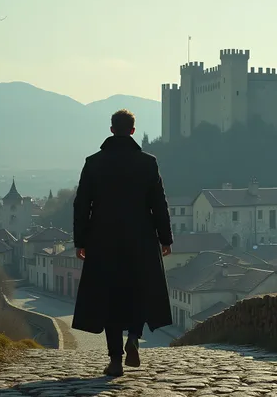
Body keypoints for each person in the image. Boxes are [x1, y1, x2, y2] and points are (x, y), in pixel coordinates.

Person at [71, 109, 173, 377]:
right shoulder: (148, 163)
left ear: (111, 129)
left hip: (103, 240)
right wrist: (165, 238)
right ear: (132, 130)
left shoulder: (93, 163)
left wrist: (81, 240)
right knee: (138, 290)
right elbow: (158, 204)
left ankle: (115, 359)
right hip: (141, 239)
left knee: (110, 297)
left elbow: (81, 205)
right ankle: (134, 337)